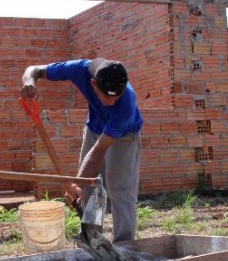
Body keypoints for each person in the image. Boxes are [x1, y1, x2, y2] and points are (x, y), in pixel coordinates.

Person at [20, 58, 143, 243]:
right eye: (108, 96)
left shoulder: (125, 103)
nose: (113, 101)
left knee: (120, 190)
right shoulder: (79, 70)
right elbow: (34, 69)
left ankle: (125, 246)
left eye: (116, 96)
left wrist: (75, 183)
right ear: (93, 84)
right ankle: (93, 240)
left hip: (124, 135)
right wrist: (29, 82)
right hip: (95, 128)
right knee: (90, 188)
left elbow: (98, 151)